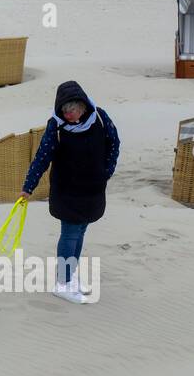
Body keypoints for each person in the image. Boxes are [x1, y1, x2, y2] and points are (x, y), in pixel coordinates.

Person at [18, 81, 119, 304]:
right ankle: (62, 284)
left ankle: (70, 276)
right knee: (70, 232)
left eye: (71, 110)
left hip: (92, 189)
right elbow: (42, 157)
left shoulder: (100, 118)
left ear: (82, 106)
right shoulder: (56, 127)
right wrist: (28, 187)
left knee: (81, 230)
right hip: (67, 191)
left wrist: (106, 171)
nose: (68, 115)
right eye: (64, 111)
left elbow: (114, 142)